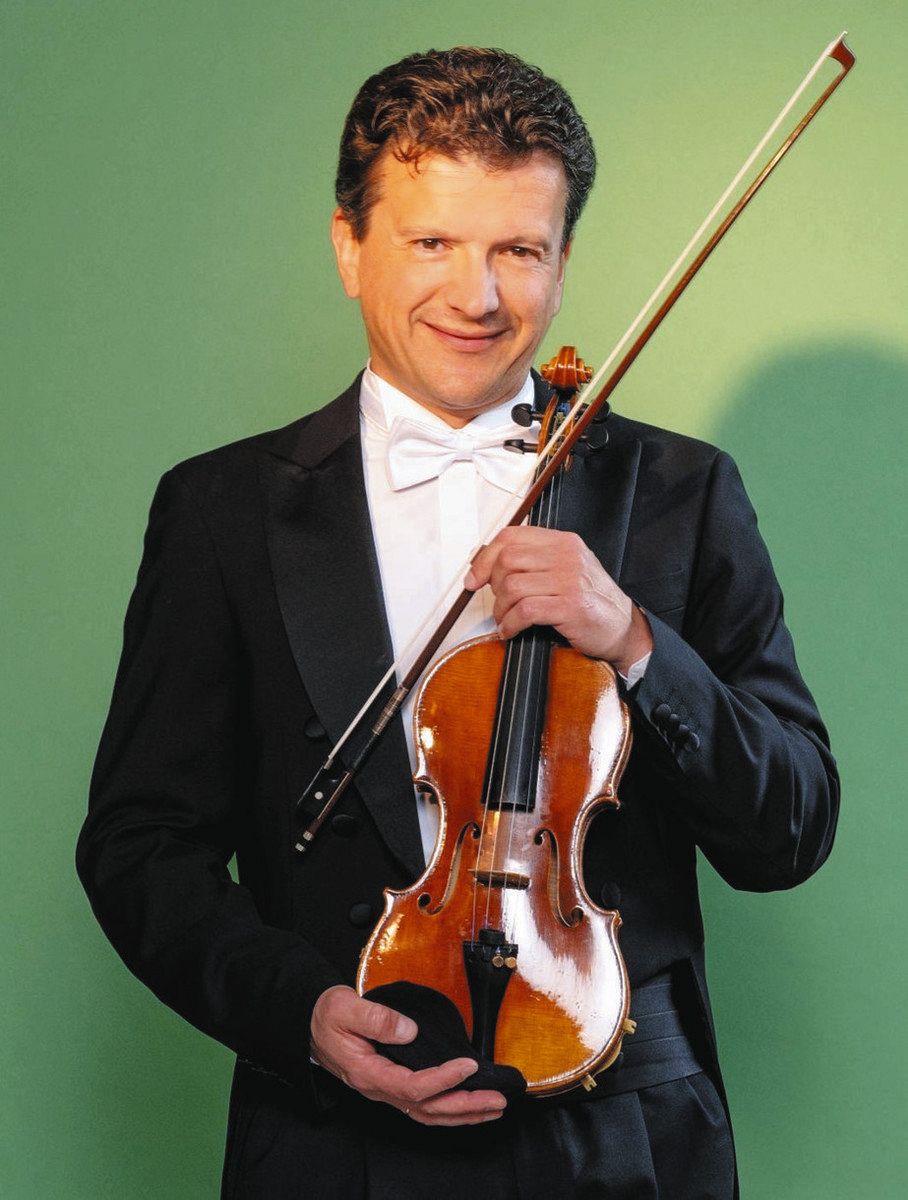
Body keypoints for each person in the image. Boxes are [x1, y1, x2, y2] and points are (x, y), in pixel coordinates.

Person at [77, 47, 839, 1199]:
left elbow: (790, 826)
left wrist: (632, 639)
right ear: (348, 246)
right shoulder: (221, 510)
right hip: (332, 1148)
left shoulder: (681, 494)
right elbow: (141, 846)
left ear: (563, 261)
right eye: (431, 242)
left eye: (516, 250)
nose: (475, 297)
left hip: (627, 1144)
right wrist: (300, 1014)